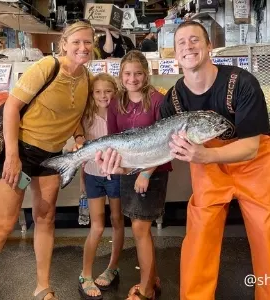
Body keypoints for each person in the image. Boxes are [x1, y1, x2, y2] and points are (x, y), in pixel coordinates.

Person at [94, 21, 270, 300]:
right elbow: (163, 148)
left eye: (195, 40)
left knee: (264, 240)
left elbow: (252, 146)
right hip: (209, 170)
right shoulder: (174, 99)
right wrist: (127, 166)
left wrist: (207, 154)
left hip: (253, 166)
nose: (188, 46)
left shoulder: (241, 82)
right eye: (181, 42)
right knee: (198, 243)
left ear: (209, 47)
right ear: (175, 54)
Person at [0, 21, 94, 300]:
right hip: (21, 149)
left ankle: (42, 286)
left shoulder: (86, 77)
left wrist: (81, 138)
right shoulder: (47, 67)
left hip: (51, 156)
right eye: (77, 42)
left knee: (46, 218)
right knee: (3, 224)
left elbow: (73, 117)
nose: (82, 48)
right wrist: (12, 156)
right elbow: (12, 106)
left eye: (87, 42)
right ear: (64, 44)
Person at [106, 50, 172, 300]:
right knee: (139, 228)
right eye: (127, 73)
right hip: (128, 172)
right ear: (121, 76)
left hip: (152, 172)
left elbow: (167, 143)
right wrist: (115, 166)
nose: (132, 78)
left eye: (138, 74)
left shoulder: (158, 101)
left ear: (146, 75)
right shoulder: (116, 103)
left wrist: (145, 172)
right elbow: (113, 141)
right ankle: (151, 277)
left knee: (140, 228)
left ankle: (145, 291)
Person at [78, 73, 124, 300]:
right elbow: (83, 151)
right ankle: (85, 274)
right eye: (98, 92)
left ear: (114, 92)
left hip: (116, 176)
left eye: (107, 91)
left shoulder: (119, 115)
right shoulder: (85, 117)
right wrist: (82, 179)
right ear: (92, 94)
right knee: (96, 226)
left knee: (117, 220)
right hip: (92, 175)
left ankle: (113, 266)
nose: (103, 95)